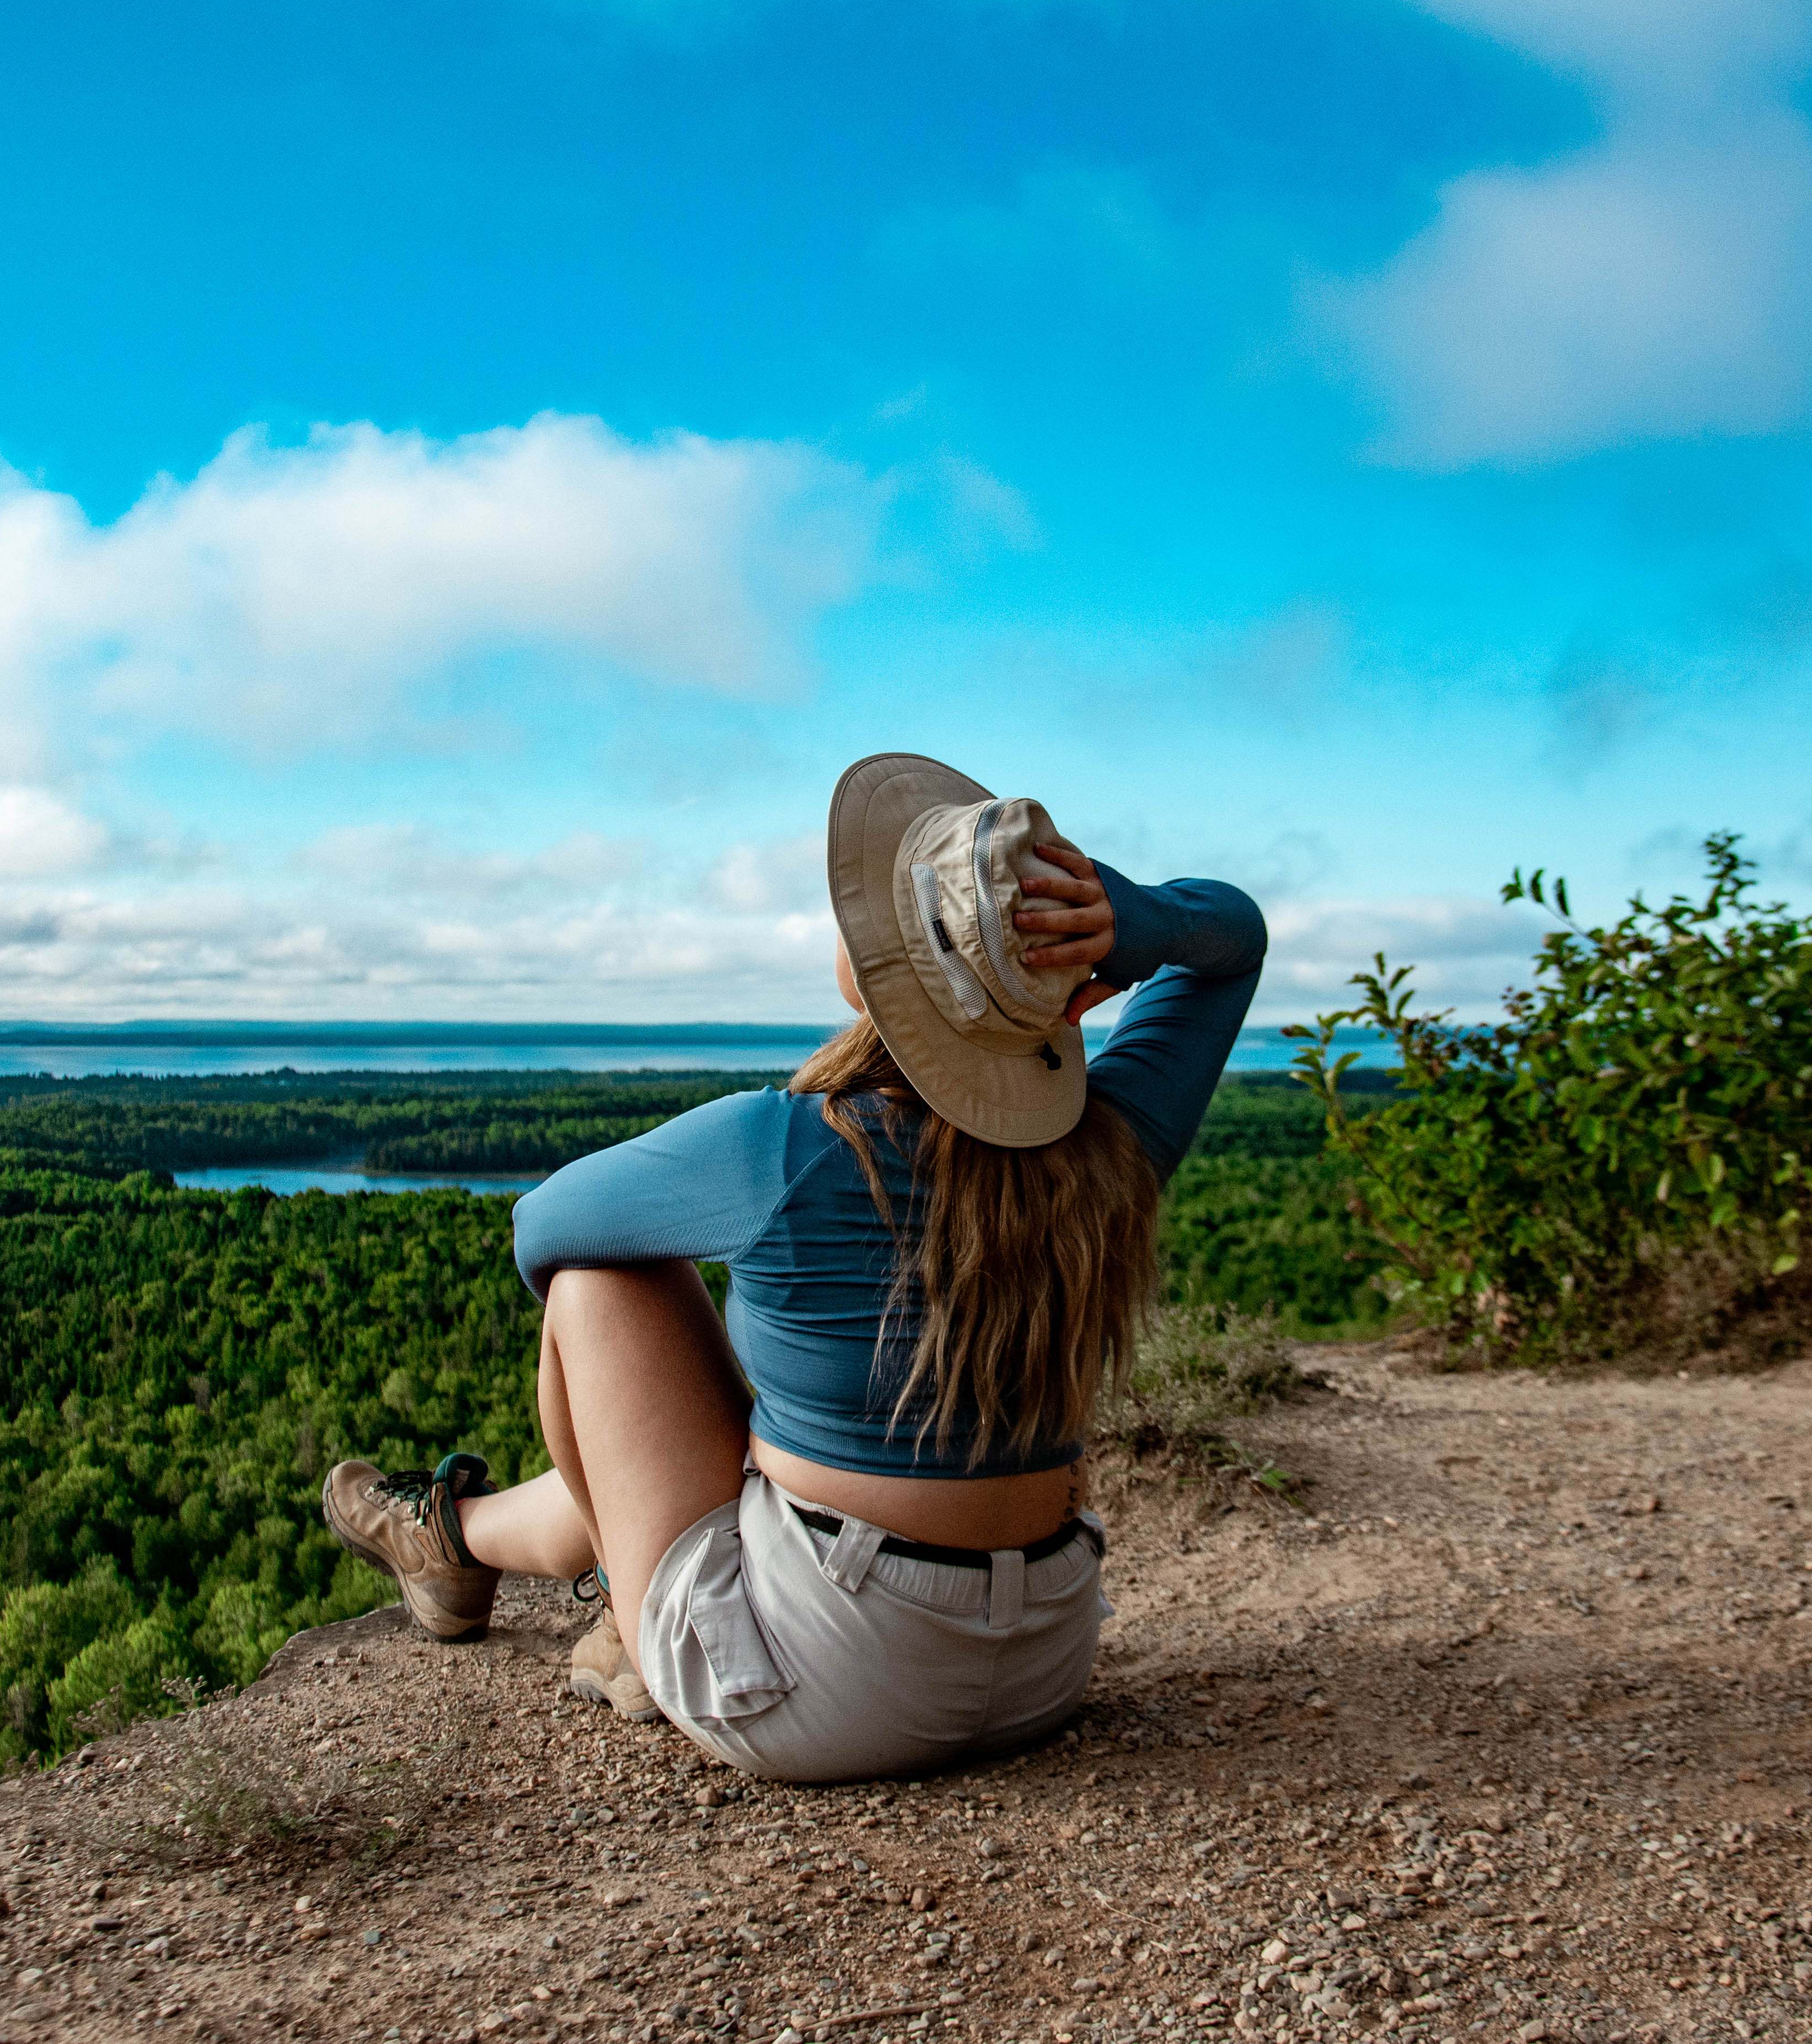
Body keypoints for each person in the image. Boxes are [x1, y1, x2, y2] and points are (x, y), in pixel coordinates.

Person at [319, 752, 1265, 1782]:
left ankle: (616, 1617)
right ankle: (455, 1539)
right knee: (782, 1435)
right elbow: (1232, 939)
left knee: (604, 1281)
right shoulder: (1117, 1141)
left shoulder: (785, 1144)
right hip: (1043, 1664)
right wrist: (1136, 922)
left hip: (826, 1696)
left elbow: (543, 1232)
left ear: (876, 973)